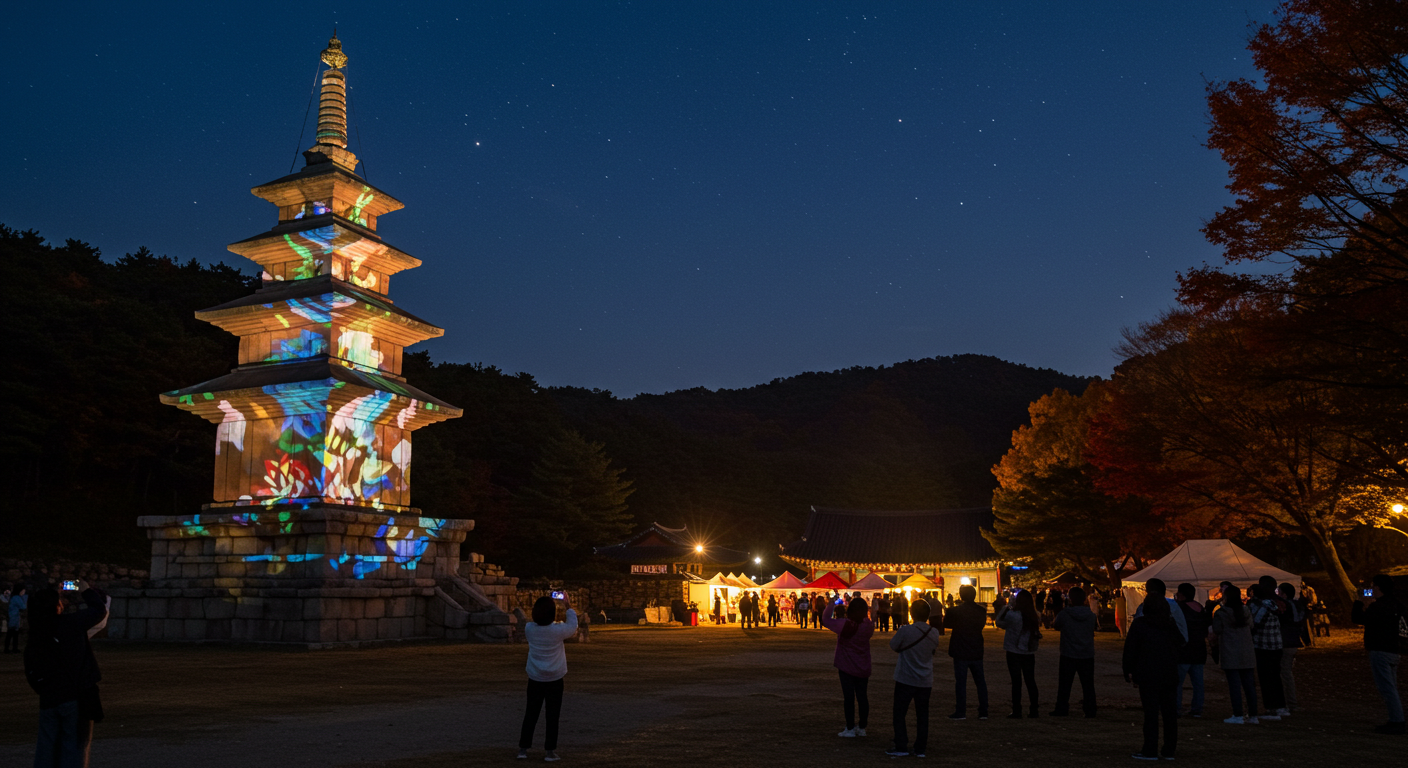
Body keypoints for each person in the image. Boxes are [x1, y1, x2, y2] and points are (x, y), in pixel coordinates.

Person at [24, 582, 109, 768]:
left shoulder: (36, 632)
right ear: (56, 607)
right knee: (75, 746)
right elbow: (98, 610)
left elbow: (30, 669)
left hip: (49, 698)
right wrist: (84, 589)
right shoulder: (70, 623)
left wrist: (44, 688)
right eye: (59, 601)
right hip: (75, 697)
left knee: (46, 747)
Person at [1123, 593, 1184, 760]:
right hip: (1169, 673)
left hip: (1148, 673)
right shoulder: (1170, 624)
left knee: (1151, 714)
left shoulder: (1141, 624)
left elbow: (1130, 649)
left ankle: (1150, 749)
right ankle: (1169, 749)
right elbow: (1180, 644)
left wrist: (1128, 670)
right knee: (1169, 714)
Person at [519, 592, 578, 761]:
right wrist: (567, 606)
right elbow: (572, 626)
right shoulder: (558, 631)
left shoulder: (530, 629)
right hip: (555, 678)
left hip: (535, 677)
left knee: (531, 713)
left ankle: (523, 749)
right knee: (552, 716)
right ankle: (550, 751)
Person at [1351, 574, 1406, 735]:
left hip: (1380, 650)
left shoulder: (1379, 607)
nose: (1371, 589)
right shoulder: (1397, 605)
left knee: (1387, 688)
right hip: (1394, 650)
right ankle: (1396, 718)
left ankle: (1397, 721)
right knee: (1391, 687)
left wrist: (1359, 602)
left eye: (1373, 586)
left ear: (1379, 587)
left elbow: (1358, 618)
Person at [886, 599, 941, 758]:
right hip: (925, 679)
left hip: (906, 677)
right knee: (922, 714)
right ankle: (920, 748)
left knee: (899, 713)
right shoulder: (934, 632)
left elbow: (894, 646)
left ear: (911, 613)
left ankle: (901, 745)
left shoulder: (905, 630)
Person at [823, 596, 874, 737]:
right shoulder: (868, 625)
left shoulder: (846, 625)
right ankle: (862, 727)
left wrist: (831, 603)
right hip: (863, 664)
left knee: (849, 698)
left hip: (846, 665)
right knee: (862, 697)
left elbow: (826, 620)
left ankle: (850, 727)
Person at [1212, 585, 1260, 725]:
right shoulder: (1245, 611)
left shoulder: (1221, 613)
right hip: (1247, 651)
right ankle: (1253, 715)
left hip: (1230, 650)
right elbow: (1251, 626)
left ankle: (1238, 714)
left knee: (1234, 685)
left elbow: (1217, 630)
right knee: (1249, 685)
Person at [943, 584, 989, 720]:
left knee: (961, 682)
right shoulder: (981, 611)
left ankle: (961, 711)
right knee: (980, 681)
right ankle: (983, 711)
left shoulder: (955, 611)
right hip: (976, 648)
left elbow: (946, 624)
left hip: (960, 648)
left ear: (961, 596)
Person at [1052, 586, 1097, 717]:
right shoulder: (1090, 615)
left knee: (1065, 684)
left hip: (1068, 652)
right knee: (1088, 684)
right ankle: (1090, 709)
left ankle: (1062, 708)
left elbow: (1056, 625)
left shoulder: (1065, 614)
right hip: (1087, 653)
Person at [995, 589, 1041, 718]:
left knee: (1016, 682)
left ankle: (1017, 709)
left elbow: (999, 622)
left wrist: (1006, 607)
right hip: (1028, 651)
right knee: (1030, 680)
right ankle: (1034, 709)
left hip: (1013, 650)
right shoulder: (1035, 615)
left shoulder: (1013, 615)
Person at [1248, 583, 1287, 719]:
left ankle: (1271, 708)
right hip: (1276, 644)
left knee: (1266, 678)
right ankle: (1281, 706)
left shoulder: (1260, 606)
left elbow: (1255, 624)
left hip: (1263, 645)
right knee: (1275, 677)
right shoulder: (1273, 604)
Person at [1174, 583, 1210, 718]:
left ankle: (1176, 707)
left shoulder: (1180, 609)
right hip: (1199, 650)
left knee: (1177, 683)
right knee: (1198, 683)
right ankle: (1197, 708)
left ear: (1181, 594)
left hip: (1184, 650)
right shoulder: (1200, 608)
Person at [1276, 582, 1305, 713]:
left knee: (1285, 673)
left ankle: (1290, 703)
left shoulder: (1285, 607)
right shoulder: (1298, 606)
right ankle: (1289, 701)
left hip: (1285, 641)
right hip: (1293, 640)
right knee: (1286, 672)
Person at [6, 584, 28, 654]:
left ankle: (12, 648)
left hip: (13, 617)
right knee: (12, 634)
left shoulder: (14, 597)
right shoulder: (17, 598)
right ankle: (10, 648)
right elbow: (23, 606)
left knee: (12, 634)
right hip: (14, 617)